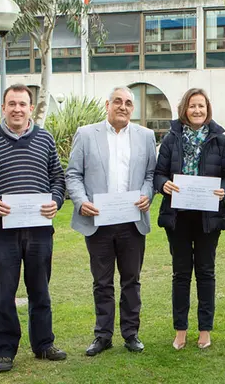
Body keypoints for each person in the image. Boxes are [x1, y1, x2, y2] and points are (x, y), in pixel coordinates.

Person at [0, 84, 67, 373]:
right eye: (11, 104)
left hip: (39, 229)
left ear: (31, 108)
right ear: (3, 107)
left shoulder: (45, 140)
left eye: (23, 104)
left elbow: (57, 179)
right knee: (4, 292)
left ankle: (44, 344)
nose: (17, 109)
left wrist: (56, 201)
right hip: (2, 230)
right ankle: (4, 350)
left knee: (40, 289)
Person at [65, 86, 157, 356]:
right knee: (102, 282)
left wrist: (145, 194)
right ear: (107, 105)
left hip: (132, 222)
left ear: (133, 108)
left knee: (132, 280)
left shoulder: (146, 136)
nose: (123, 107)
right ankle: (103, 335)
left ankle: (131, 334)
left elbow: (150, 175)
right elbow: (73, 174)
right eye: (118, 101)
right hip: (98, 222)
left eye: (128, 103)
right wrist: (81, 201)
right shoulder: (86, 134)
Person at [154, 88, 225, 350]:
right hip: (178, 217)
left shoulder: (221, 140)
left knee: (206, 272)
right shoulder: (171, 138)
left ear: (207, 109)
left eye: (201, 106)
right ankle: (180, 330)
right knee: (181, 273)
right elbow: (158, 174)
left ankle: (205, 330)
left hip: (208, 216)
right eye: (192, 106)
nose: (197, 111)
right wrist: (163, 184)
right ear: (184, 110)